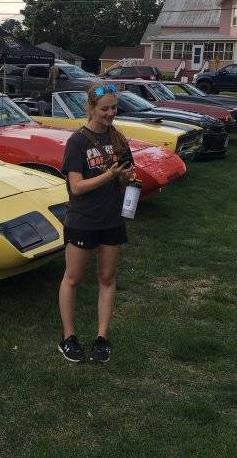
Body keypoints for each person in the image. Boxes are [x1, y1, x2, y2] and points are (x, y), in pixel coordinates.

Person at [58, 83, 135, 363]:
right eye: (105, 109)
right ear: (90, 109)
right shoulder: (78, 141)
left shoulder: (118, 138)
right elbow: (76, 187)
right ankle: (69, 338)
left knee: (107, 278)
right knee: (73, 279)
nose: (110, 113)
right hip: (83, 220)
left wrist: (125, 176)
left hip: (111, 219)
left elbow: (124, 175)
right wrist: (109, 174)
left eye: (114, 108)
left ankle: (102, 338)